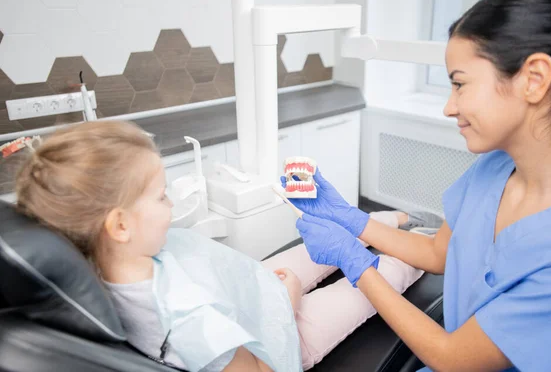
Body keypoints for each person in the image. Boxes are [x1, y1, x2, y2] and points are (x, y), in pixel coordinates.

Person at [287, 0, 551, 372]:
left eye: (460, 84)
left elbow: (455, 359)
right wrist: (350, 220)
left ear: (534, 79)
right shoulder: (495, 168)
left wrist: (356, 266)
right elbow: (439, 253)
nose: (449, 107)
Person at [12, 119, 424, 372]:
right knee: (375, 280)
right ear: (119, 225)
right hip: (287, 334)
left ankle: (390, 222)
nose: (171, 201)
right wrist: (287, 301)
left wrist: (266, 289)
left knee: (321, 241)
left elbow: (210, 277)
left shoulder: (112, 257)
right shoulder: (188, 323)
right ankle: (419, 246)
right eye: (160, 195)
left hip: (249, 293)